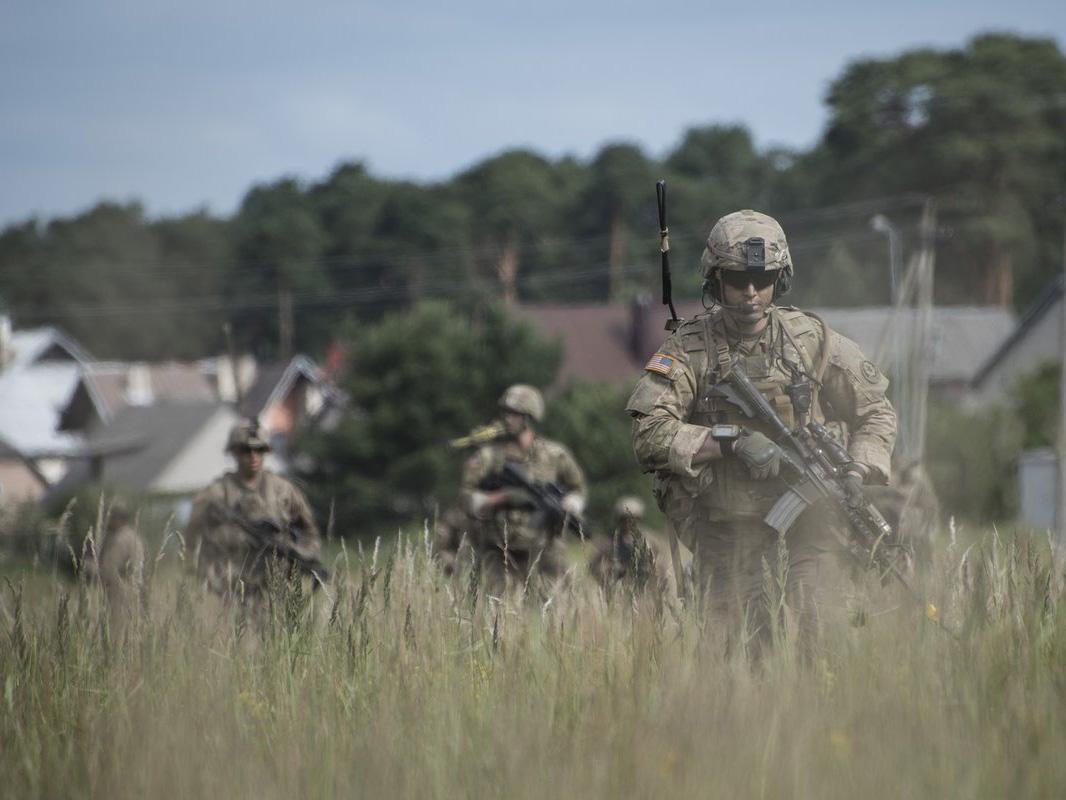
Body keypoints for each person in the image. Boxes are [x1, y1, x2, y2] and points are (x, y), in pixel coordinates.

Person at [626, 209, 897, 661]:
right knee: (739, 657)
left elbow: (875, 409)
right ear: (715, 280)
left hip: (810, 523)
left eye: (763, 277)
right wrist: (730, 441)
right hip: (728, 532)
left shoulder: (811, 341)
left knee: (822, 639)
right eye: (737, 278)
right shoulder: (689, 350)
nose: (751, 292)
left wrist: (858, 465)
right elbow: (648, 433)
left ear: (780, 278)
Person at [461, 384, 587, 595]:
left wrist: (570, 504)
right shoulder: (488, 456)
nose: (507, 418)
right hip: (500, 548)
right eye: (506, 413)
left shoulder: (555, 455)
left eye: (515, 414)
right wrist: (499, 498)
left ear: (529, 417)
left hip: (545, 548)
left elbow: (577, 488)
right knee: (498, 610)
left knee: (553, 608)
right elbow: (466, 497)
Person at [185, 418, 323, 603]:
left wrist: (301, 554)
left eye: (259, 450)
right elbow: (192, 539)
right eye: (245, 450)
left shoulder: (283, 490)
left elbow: (309, 530)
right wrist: (209, 575)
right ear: (234, 451)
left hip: (278, 589)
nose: (253, 456)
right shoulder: (215, 494)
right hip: (230, 590)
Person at [587, 495, 686, 594]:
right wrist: (611, 571)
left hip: (647, 591)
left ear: (639, 519)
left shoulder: (651, 540)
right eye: (624, 519)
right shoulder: (610, 542)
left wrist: (652, 572)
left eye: (633, 519)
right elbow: (593, 566)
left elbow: (664, 565)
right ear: (619, 520)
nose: (628, 523)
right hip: (619, 592)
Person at [97, 502, 145, 630]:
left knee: (117, 633)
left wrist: (89, 567)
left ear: (118, 518)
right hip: (135, 591)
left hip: (120, 593)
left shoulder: (119, 539)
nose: (106, 520)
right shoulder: (133, 536)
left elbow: (109, 568)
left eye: (110, 517)